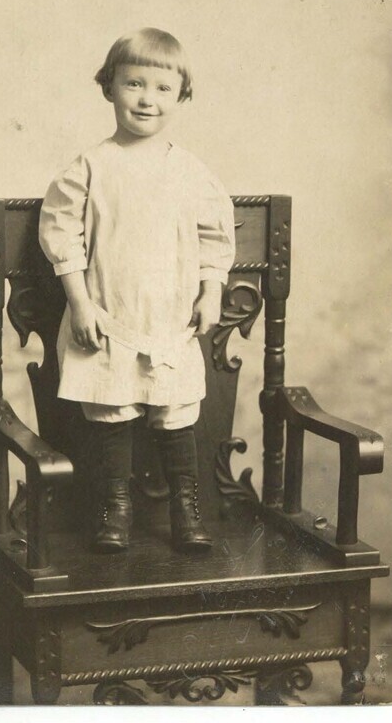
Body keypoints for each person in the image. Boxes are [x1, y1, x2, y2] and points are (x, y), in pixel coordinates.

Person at [39, 28, 235, 554]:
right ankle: (116, 510)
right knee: (112, 414)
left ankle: (185, 510)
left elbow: (216, 235)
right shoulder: (91, 167)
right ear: (110, 88)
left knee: (174, 414)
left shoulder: (191, 172)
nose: (147, 99)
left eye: (162, 88)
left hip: (169, 318)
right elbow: (62, 233)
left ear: (181, 95)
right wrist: (80, 302)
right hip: (108, 315)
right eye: (134, 84)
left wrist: (211, 290)